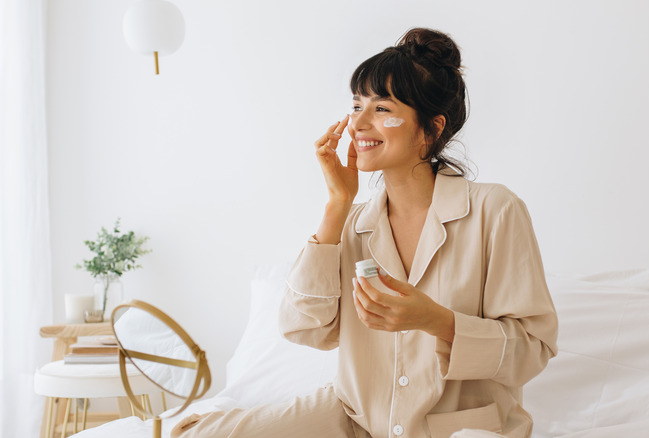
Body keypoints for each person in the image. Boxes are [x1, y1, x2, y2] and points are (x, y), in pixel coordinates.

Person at [172, 27, 557, 438]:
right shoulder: (353, 223)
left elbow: (530, 351)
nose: (358, 122)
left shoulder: (494, 210)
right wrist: (337, 205)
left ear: (432, 128)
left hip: (455, 428)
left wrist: (439, 322)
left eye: (381, 108)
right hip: (357, 419)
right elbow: (304, 327)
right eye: (357, 105)